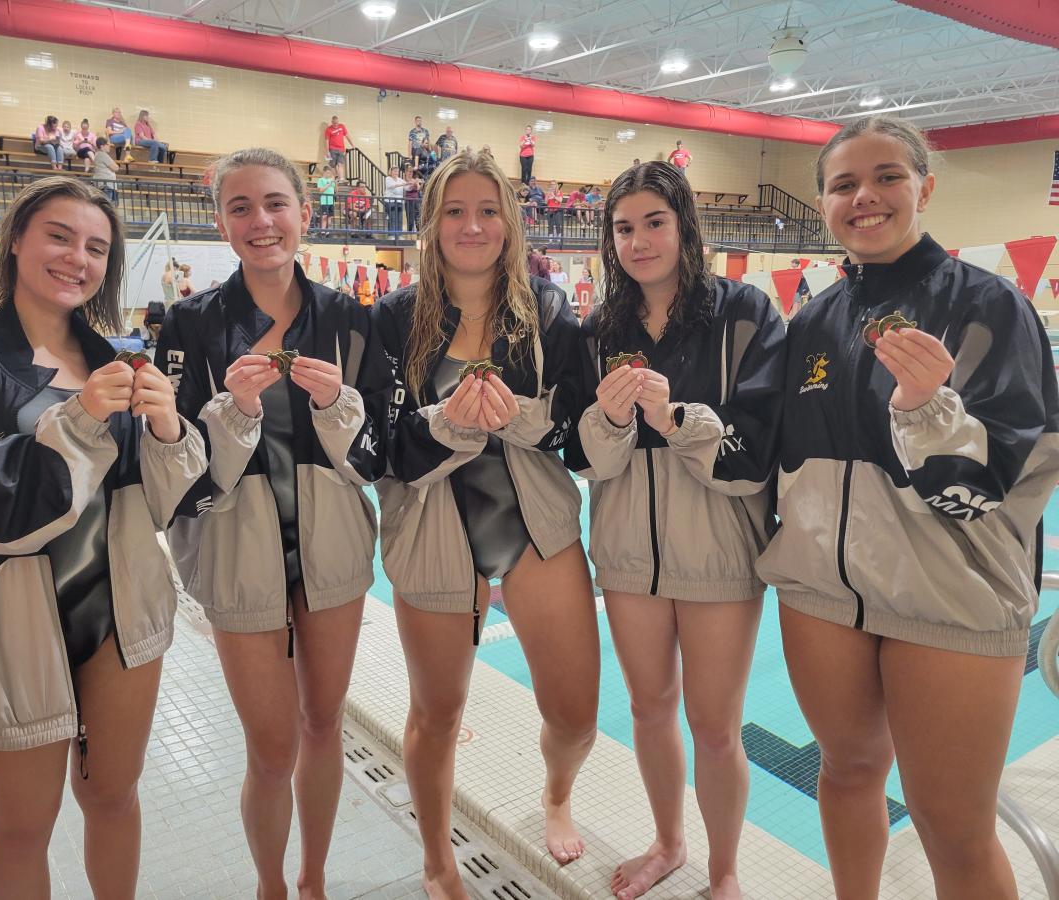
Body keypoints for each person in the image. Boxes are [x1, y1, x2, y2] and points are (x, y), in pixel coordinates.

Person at [756, 116, 1059, 900]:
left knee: (953, 829)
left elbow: (997, 485)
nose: (865, 196)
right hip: (824, 595)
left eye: (887, 176)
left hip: (951, 594)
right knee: (848, 771)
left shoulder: (990, 306)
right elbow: (776, 458)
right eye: (843, 183)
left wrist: (928, 408)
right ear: (822, 202)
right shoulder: (813, 321)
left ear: (925, 187)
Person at [0, 176, 206, 900]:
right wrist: (80, 419)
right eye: (59, 236)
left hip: (119, 611)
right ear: (16, 240)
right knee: (22, 828)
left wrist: (167, 430)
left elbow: (160, 505)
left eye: (96, 247)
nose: (77, 258)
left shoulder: (120, 362)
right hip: (9, 623)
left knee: (114, 799)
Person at [157, 147, 390, 900]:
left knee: (323, 728)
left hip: (333, 549)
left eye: (276, 203)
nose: (261, 222)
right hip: (236, 548)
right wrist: (237, 412)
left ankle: (314, 880)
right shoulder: (190, 324)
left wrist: (336, 411)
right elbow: (172, 475)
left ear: (305, 212)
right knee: (270, 746)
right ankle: (270, 886)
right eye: (241, 207)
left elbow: (379, 452)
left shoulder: (350, 318)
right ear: (222, 222)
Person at [372, 149, 600, 898]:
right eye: (455, 211)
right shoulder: (395, 319)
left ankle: (557, 792)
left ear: (511, 220)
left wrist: (523, 418)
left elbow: (575, 424)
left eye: (487, 210)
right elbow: (383, 451)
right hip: (435, 528)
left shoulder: (546, 308)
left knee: (575, 713)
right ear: (431, 223)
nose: (472, 226)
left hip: (533, 520)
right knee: (436, 713)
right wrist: (446, 423)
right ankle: (438, 861)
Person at [567, 161, 785, 900]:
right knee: (649, 707)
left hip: (721, 551)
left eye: (654, 222)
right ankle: (668, 842)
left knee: (716, 726)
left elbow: (758, 455)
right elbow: (584, 460)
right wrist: (613, 418)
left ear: (685, 226)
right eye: (623, 228)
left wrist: (676, 420)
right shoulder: (599, 330)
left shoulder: (746, 313)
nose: (638, 241)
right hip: (629, 552)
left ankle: (723, 872)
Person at [324, 115, 352, 179]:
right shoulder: (328, 129)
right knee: (332, 165)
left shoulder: (342, 126)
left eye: (337, 123)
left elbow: (347, 136)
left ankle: (341, 179)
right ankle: (336, 177)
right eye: (334, 123)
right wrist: (327, 151)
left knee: (340, 164)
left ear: (338, 122)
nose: (336, 125)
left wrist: (352, 145)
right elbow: (327, 141)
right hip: (332, 149)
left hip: (341, 149)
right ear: (332, 122)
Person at [92, 137, 119, 202]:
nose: (109, 146)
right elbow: (116, 168)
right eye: (108, 144)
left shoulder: (98, 154)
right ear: (102, 146)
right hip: (106, 185)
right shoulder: (102, 154)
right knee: (108, 206)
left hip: (105, 185)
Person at [385, 165, 410, 232]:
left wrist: (413, 184)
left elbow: (407, 188)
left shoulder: (400, 180)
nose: (396, 172)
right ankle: (392, 235)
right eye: (394, 171)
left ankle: (399, 234)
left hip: (399, 201)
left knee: (400, 219)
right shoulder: (388, 179)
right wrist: (403, 184)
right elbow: (391, 186)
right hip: (390, 201)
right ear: (391, 171)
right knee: (392, 218)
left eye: (397, 171)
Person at [316, 164, 337, 233]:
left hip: (331, 201)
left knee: (329, 217)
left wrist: (335, 183)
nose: (329, 174)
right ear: (324, 172)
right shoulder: (321, 180)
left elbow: (336, 191)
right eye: (328, 172)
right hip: (324, 201)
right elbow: (320, 190)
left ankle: (328, 231)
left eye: (330, 173)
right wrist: (329, 184)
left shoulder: (331, 180)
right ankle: (322, 231)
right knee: (324, 216)